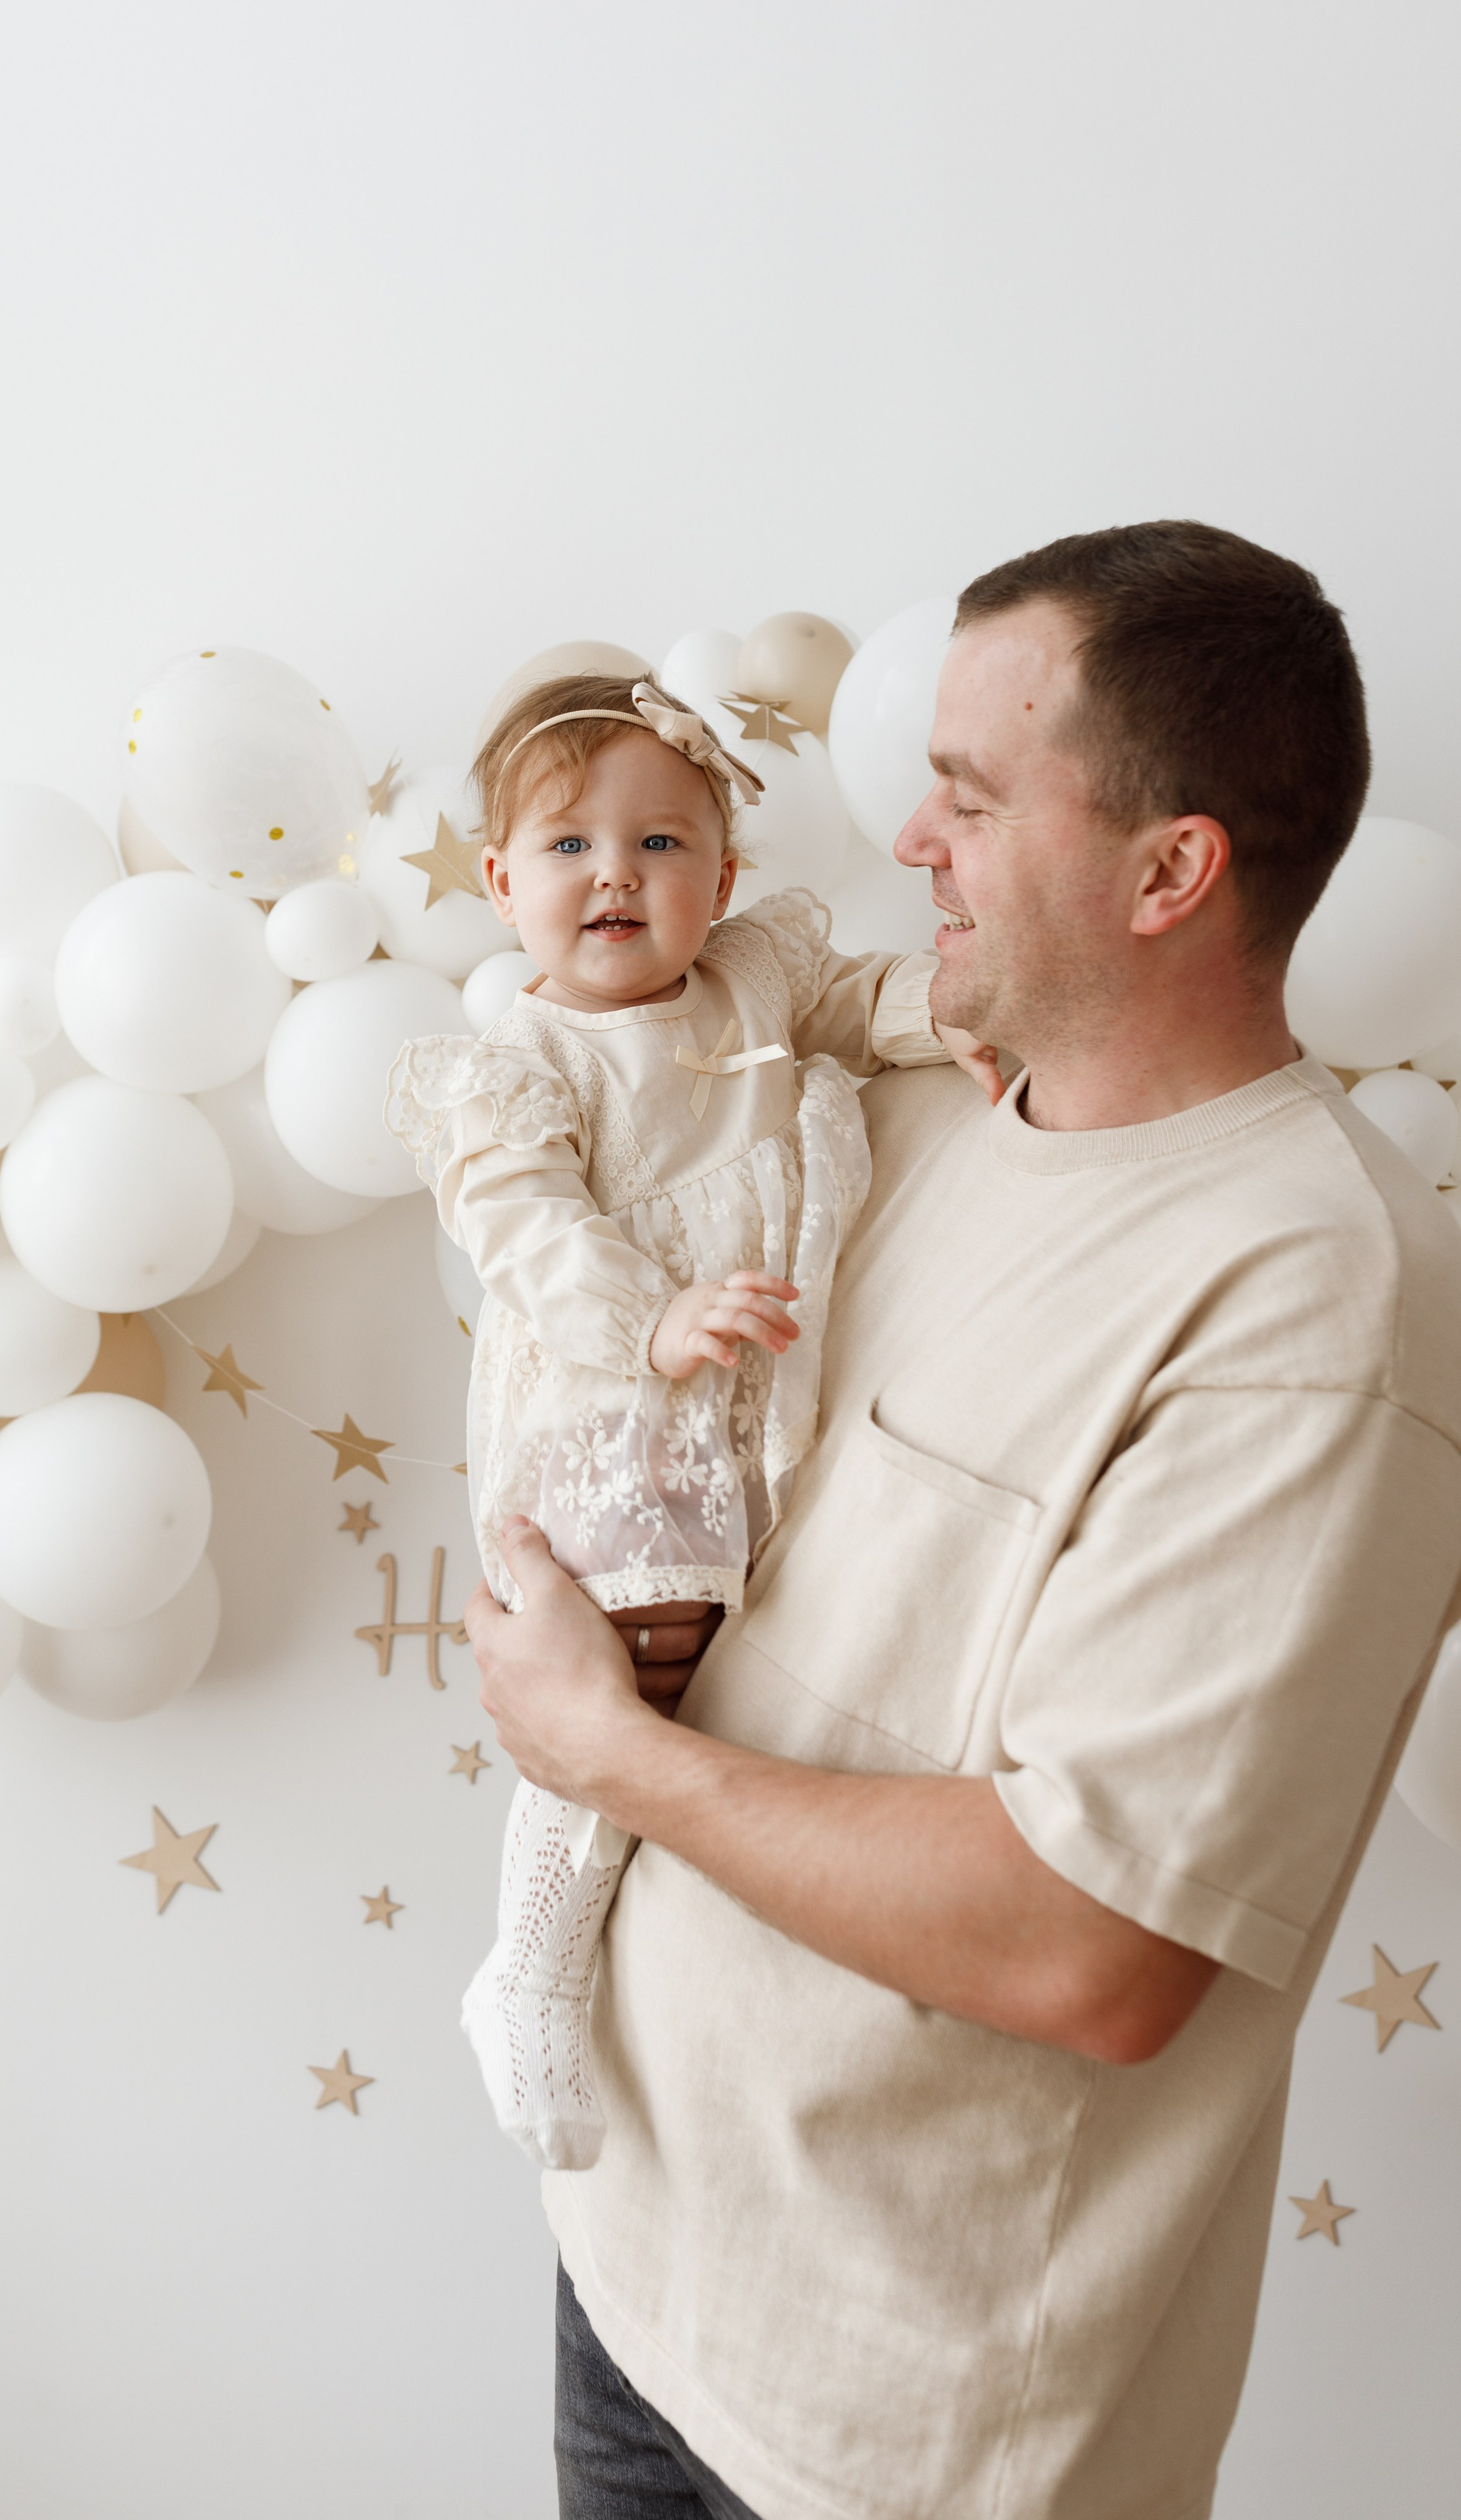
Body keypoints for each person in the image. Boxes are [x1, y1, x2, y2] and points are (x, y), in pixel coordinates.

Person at [466, 524, 1461, 2520]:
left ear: (1172, 871)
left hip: (885, 2438)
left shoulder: (1313, 1298)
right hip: (640, 2263)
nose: (908, 834)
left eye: (976, 794)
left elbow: (1093, 1944)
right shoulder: (887, 1122)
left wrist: (613, 1757)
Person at [387, 673, 997, 2173]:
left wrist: (963, 1014)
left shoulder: (752, 978)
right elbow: (523, 1229)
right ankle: (528, 1961)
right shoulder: (519, 1068)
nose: (616, 875)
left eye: (662, 846)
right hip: (615, 1412)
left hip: (753, 1408)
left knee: (729, 1677)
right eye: (568, 848)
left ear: (719, 881)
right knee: (629, 1670)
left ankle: (661, 1957)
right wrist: (646, 1325)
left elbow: (859, 1002)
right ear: (499, 883)